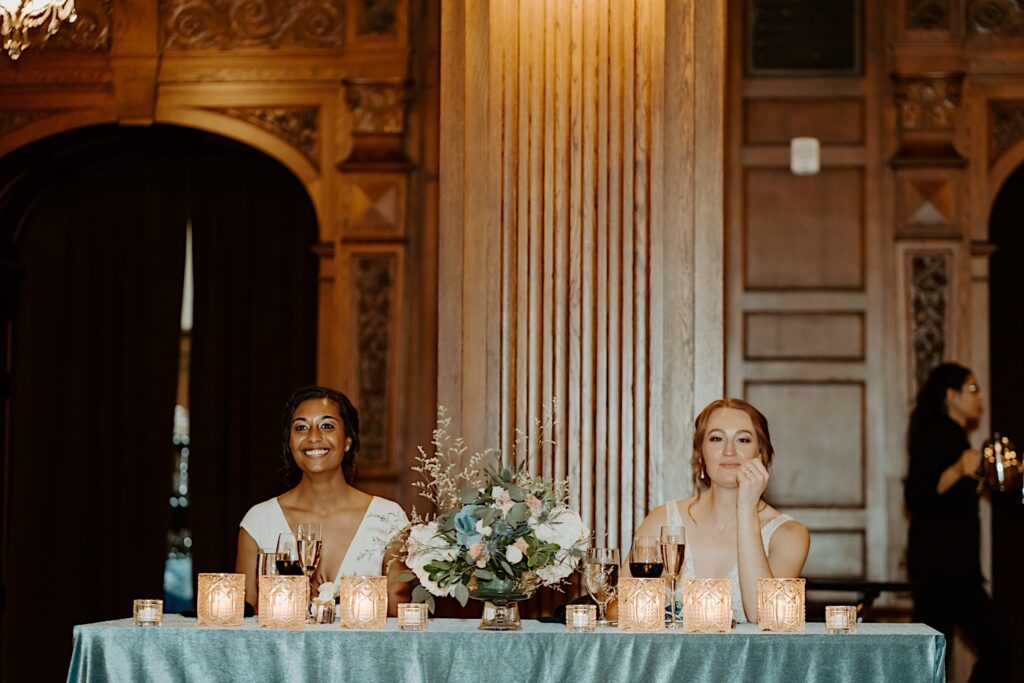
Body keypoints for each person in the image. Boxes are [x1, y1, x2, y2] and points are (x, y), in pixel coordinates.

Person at [634, 398, 810, 623]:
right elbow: (616, 608)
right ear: (700, 453)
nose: (729, 451)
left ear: (761, 455)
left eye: (743, 440)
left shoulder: (790, 535)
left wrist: (746, 508)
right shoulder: (662, 521)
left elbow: (763, 616)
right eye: (717, 438)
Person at [235, 386, 409, 612]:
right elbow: (243, 620)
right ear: (290, 442)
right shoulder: (259, 521)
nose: (314, 437)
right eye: (301, 427)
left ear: (347, 441)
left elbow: (399, 619)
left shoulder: (388, 518)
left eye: (327, 426)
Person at [905, 363, 1008, 681]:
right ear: (951, 395)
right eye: (973, 390)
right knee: (934, 657)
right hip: (940, 570)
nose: (981, 398)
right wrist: (958, 470)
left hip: (956, 570)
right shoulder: (935, 435)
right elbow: (916, 495)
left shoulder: (957, 437)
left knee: (933, 657)